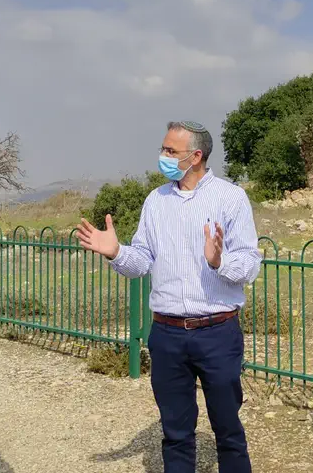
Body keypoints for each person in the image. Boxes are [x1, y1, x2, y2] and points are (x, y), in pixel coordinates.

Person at [76, 121, 261, 473]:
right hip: (167, 335)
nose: (162, 156)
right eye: (162, 148)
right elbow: (142, 261)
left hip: (217, 333)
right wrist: (116, 252)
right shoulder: (156, 201)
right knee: (175, 433)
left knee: (228, 431)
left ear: (196, 156)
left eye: (170, 151)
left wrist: (220, 261)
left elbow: (250, 264)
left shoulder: (231, 198)